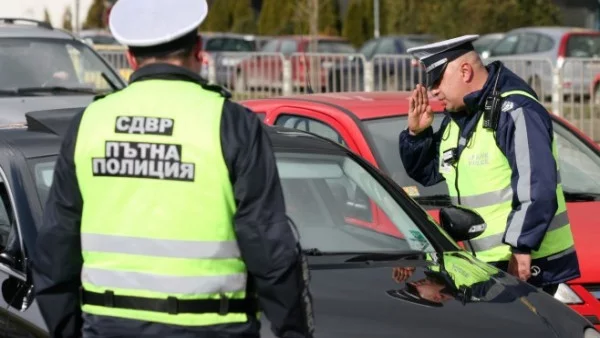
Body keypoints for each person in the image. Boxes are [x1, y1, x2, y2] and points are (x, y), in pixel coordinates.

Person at [30, 0, 315, 337]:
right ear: (198, 49)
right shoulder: (230, 123)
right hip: (214, 327)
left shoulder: (90, 123)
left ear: (131, 57)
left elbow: (55, 247)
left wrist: (70, 331)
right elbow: (268, 244)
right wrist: (293, 330)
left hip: (109, 327)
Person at [399, 35, 580, 295]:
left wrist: (521, 247)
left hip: (522, 266)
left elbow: (537, 184)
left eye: (437, 80)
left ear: (465, 70)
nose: (433, 90)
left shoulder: (515, 109)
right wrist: (417, 135)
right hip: (482, 266)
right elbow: (426, 174)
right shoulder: (460, 118)